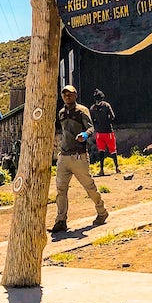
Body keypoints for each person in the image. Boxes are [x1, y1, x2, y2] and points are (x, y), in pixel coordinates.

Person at [50, 85, 109, 234]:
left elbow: (91, 128)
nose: (67, 97)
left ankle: (101, 211)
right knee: (61, 190)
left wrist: (85, 135)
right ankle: (61, 220)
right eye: (65, 95)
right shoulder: (62, 113)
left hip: (79, 155)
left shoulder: (82, 111)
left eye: (70, 94)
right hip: (63, 156)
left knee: (89, 187)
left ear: (75, 95)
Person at [89, 89, 120, 176]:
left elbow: (91, 120)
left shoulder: (92, 108)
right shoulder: (106, 105)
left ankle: (101, 170)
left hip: (99, 132)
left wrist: (97, 125)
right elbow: (112, 117)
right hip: (108, 131)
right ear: (102, 97)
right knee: (113, 150)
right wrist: (108, 121)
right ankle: (117, 167)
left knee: (101, 151)